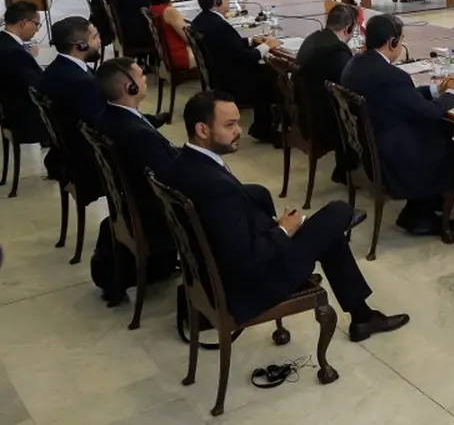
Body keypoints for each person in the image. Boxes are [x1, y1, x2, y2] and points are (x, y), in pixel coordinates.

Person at [164, 91, 409, 339]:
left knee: (328, 233)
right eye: (230, 125)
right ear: (202, 130)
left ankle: (363, 317)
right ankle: (363, 315)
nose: (239, 130)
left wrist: (275, 225)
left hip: (220, 270)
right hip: (251, 286)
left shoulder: (182, 163)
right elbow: (246, 258)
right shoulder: (216, 187)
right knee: (337, 211)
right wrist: (284, 230)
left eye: (237, 122)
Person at [340, 15, 454, 236]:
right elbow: (428, 114)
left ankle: (422, 205)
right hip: (395, 159)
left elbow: (399, 98)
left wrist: (437, 91)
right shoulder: (391, 75)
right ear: (392, 42)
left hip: (370, 151)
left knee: (441, 133)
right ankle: (422, 214)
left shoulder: (355, 64)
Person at [94, 57, 178, 262]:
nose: (146, 79)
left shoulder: (108, 116)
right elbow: (169, 178)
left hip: (131, 194)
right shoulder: (138, 134)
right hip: (156, 205)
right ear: (129, 86)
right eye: (141, 75)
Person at [190, 0, 281, 143]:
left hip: (219, 74)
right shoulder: (219, 26)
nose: (229, 0)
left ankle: (263, 124)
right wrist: (268, 45)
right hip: (232, 81)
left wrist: (252, 40)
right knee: (275, 75)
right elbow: (246, 58)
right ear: (217, 2)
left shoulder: (201, 20)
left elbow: (227, 45)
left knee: (268, 70)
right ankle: (267, 128)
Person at [38, 16, 108, 200]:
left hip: (65, 153)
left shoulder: (54, 69)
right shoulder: (80, 82)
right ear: (80, 45)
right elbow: (100, 125)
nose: (100, 41)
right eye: (95, 37)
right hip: (86, 161)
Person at [295, 4, 358, 184]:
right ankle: (354, 170)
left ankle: (345, 167)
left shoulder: (313, 38)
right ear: (348, 29)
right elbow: (351, 86)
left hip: (305, 113)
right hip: (323, 122)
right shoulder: (337, 51)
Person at [0, 2, 51, 176]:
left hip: (9, 109)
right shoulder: (14, 52)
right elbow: (36, 86)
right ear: (24, 22)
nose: (37, 30)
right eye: (36, 24)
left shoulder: (4, 41)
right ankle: (60, 166)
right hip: (23, 116)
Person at [149, 0, 193, 71]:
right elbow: (189, 38)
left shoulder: (154, 8)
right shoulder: (169, 11)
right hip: (181, 55)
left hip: (167, 54)